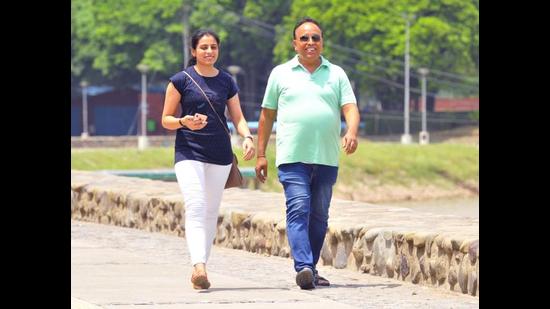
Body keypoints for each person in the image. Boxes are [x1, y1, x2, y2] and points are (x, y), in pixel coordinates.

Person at [255, 17, 360, 290]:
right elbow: (266, 116)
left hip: (326, 157)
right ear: (295, 43)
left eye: (315, 38)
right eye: (304, 38)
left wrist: (351, 131)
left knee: (319, 216)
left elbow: (350, 107)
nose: (310, 43)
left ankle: (310, 270)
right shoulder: (280, 73)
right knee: (299, 208)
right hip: (292, 157)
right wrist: (261, 154)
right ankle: (302, 265)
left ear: (322, 42)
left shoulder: (336, 74)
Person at [161, 29, 255, 290]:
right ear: (193, 51)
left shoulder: (226, 81)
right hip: (189, 152)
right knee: (196, 205)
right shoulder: (181, 80)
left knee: (211, 211)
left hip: (221, 154)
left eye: (213, 47)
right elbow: (166, 119)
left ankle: (200, 271)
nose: (209, 51)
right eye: (203, 47)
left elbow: (237, 117)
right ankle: (198, 265)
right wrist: (184, 121)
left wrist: (247, 137)